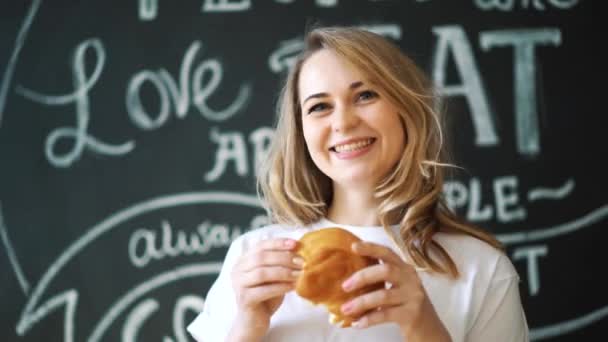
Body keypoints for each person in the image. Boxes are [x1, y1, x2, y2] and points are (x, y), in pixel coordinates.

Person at [187, 26, 529, 341]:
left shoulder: (482, 270)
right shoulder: (252, 260)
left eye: (365, 95)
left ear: (405, 108)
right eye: (320, 106)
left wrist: (423, 324)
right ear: (302, 132)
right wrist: (247, 327)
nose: (344, 122)